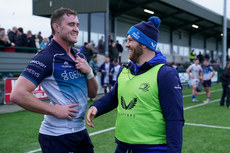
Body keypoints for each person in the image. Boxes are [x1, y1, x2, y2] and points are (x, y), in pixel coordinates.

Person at [87, 16, 184, 153]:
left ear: (144, 43)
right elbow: (114, 97)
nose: (126, 45)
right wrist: (97, 107)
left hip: (153, 149)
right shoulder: (124, 70)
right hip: (122, 147)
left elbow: (175, 118)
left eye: (130, 40)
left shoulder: (165, 74)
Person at [10, 8, 98, 153]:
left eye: (77, 25)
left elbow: (93, 94)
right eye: (71, 24)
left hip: (80, 131)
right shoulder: (46, 56)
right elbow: (17, 94)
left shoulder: (79, 56)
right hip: (57, 136)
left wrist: (89, 72)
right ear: (56, 27)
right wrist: (54, 110)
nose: (76, 29)